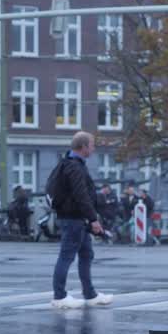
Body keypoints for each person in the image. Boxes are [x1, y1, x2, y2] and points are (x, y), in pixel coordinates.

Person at [48, 132, 113, 309]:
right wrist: (93, 219)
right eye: (92, 145)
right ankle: (59, 296)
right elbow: (81, 195)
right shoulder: (75, 167)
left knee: (86, 254)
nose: (93, 148)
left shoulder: (69, 163)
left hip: (76, 218)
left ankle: (90, 294)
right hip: (74, 219)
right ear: (83, 147)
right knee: (66, 256)